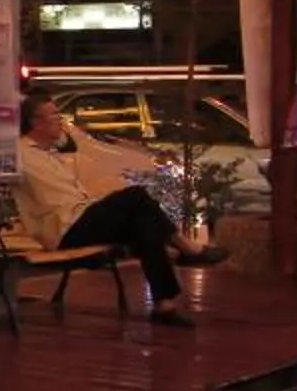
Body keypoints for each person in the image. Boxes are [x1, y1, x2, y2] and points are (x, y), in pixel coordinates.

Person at [14, 97, 225, 326]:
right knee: (135, 196)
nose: (60, 121)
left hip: (82, 218)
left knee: (144, 226)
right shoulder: (21, 154)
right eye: (54, 115)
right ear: (36, 123)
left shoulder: (49, 152)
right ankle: (186, 247)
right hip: (63, 228)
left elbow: (75, 140)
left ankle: (164, 305)